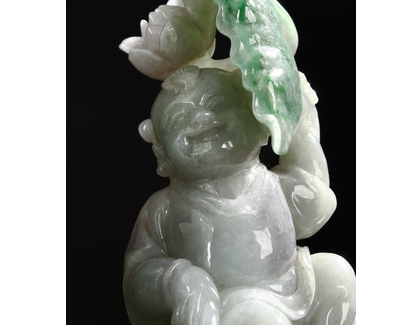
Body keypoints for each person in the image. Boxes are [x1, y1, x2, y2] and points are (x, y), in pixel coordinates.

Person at [123, 66, 355, 325]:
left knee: (336, 273)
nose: (200, 119)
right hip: (227, 308)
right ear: (162, 155)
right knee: (256, 317)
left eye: (217, 104)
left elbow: (316, 204)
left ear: (259, 123)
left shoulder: (273, 184)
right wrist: (178, 280)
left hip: (292, 286)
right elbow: (139, 276)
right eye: (179, 118)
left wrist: (296, 119)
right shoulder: (164, 207)